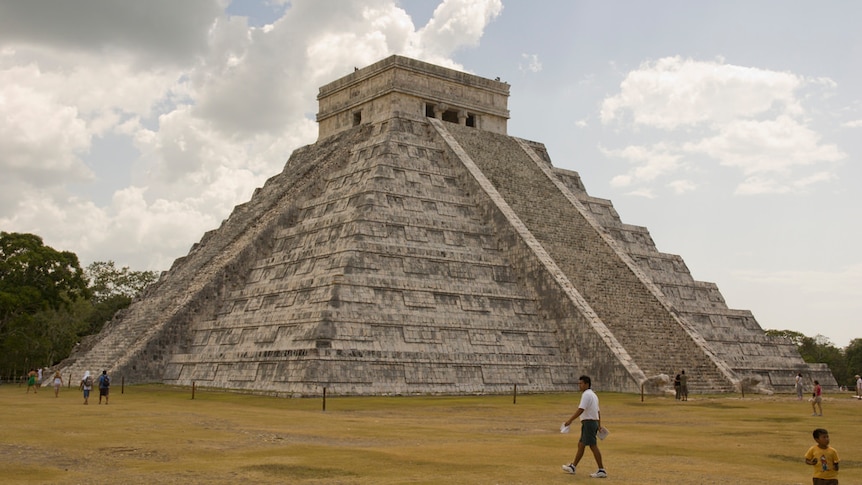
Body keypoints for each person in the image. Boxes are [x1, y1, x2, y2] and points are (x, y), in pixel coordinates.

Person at [561, 375, 607, 478]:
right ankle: (573, 466)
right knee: (581, 445)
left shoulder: (586, 395)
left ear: (586, 384)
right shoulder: (594, 395)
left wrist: (570, 420)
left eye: (581, 383)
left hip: (589, 423)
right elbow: (598, 411)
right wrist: (599, 425)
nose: (579, 386)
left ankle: (601, 470)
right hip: (591, 423)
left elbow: (581, 409)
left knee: (593, 445)